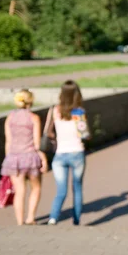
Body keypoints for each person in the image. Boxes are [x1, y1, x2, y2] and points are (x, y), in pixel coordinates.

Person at [1, 89, 48, 225]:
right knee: (36, 187)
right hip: (30, 157)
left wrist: (8, 160)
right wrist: (44, 159)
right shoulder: (34, 118)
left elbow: (8, 141)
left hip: (13, 158)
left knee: (19, 190)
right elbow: (37, 143)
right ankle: (30, 217)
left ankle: (20, 221)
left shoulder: (10, 118)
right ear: (31, 101)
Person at [47, 80, 90, 226]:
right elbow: (84, 134)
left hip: (60, 154)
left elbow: (49, 132)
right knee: (77, 188)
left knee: (61, 190)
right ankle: (76, 220)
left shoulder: (55, 110)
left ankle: (53, 217)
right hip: (77, 153)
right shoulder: (78, 112)